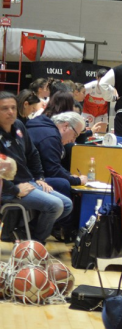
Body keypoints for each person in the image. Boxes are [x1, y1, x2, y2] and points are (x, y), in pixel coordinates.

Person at [0, 91, 73, 243]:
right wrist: (15, 190)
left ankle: (26, 233)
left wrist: (39, 177)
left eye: (13, 108)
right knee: (55, 205)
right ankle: (36, 243)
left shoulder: (19, 126)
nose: (11, 112)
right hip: (8, 189)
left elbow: (32, 153)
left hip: (28, 182)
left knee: (67, 205)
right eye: (5, 108)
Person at [26, 110, 88, 188]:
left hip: (28, 175)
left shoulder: (44, 125)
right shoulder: (51, 137)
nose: (73, 140)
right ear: (65, 126)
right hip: (29, 180)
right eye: (74, 135)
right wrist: (77, 181)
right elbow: (53, 171)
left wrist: (69, 175)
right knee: (63, 184)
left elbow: (54, 164)